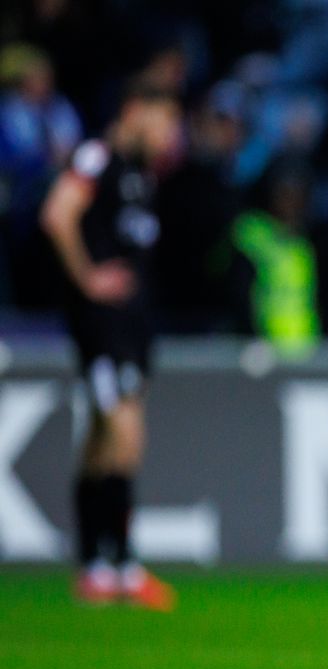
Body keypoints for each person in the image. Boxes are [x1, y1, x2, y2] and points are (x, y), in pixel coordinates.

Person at [40, 79, 181, 610]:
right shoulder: (98, 158)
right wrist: (88, 278)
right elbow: (58, 214)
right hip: (105, 325)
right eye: (163, 121)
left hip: (131, 324)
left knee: (103, 440)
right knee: (124, 432)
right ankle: (120, 563)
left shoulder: (140, 175)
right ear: (134, 110)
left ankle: (94, 565)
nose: (169, 135)